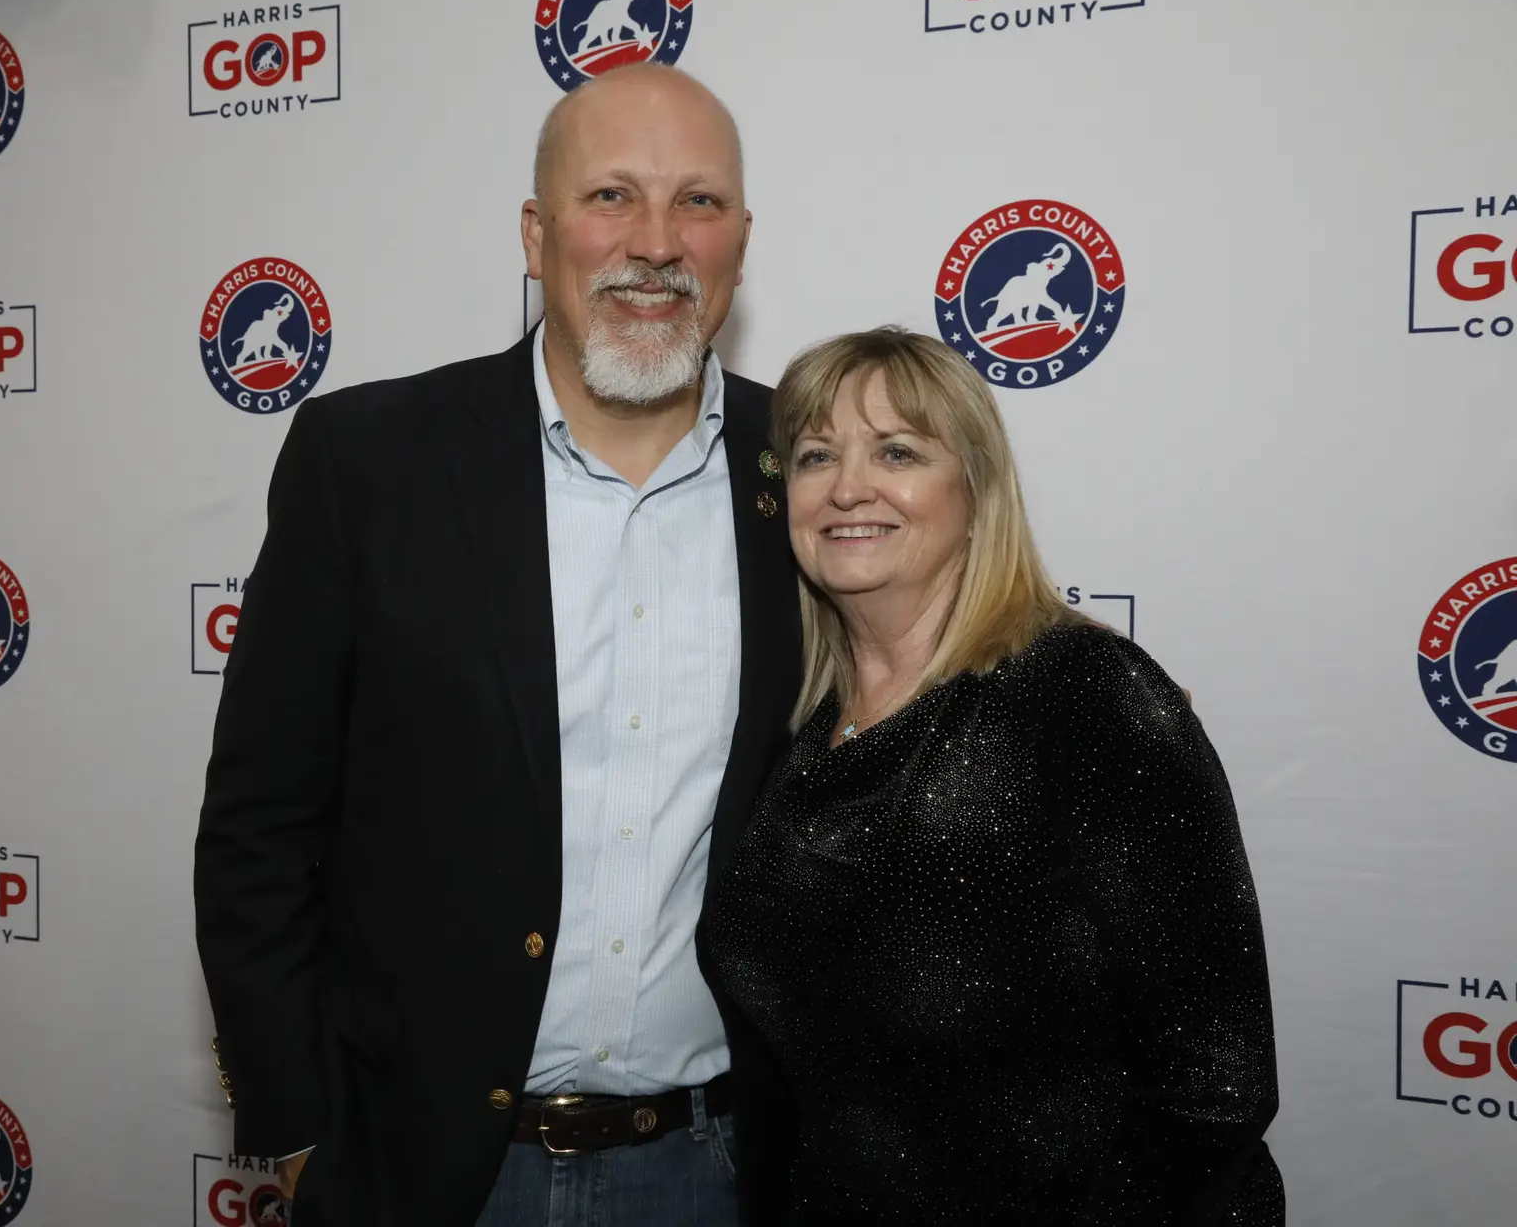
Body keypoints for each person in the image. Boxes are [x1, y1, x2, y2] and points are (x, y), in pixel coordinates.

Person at [194, 62, 802, 1227]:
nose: (657, 242)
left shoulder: (814, 471)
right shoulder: (367, 462)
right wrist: (301, 1131)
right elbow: (259, 828)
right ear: (536, 234)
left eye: (699, 202)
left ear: (739, 240)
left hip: (719, 1168)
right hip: (423, 1173)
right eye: (611, 195)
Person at [702, 328, 1285, 1224]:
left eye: (897, 452)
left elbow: (1219, 1084)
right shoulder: (807, 728)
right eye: (817, 456)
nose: (848, 487)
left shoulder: (1080, 694)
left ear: (977, 494)